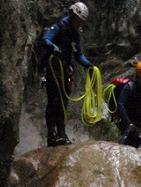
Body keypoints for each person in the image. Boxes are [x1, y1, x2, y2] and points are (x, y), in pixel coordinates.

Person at [41, 2, 94, 147]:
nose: (79, 24)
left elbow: (78, 54)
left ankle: (61, 133)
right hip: (53, 68)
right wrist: (54, 48)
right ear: (72, 15)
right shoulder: (58, 26)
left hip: (64, 70)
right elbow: (46, 39)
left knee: (63, 102)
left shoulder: (75, 33)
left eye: (81, 22)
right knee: (54, 100)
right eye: (78, 20)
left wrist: (88, 65)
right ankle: (51, 134)